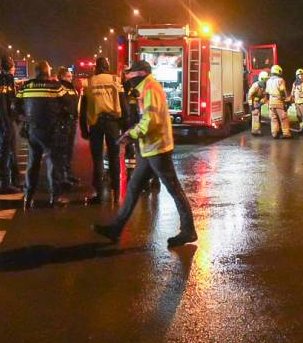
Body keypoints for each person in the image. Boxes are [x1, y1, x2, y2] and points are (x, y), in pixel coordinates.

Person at [94, 60, 198, 248]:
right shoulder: (146, 87)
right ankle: (116, 229)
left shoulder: (150, 88)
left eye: (131, 74)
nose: (128, 77)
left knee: (173, 189)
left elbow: (151, 120)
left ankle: (188, 230)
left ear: (141, 73)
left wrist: (130, 134)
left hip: (157, 149)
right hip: (150, 149)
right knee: (134, 189)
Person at [17, 61, 74, 208]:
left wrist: (25, 119)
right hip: (51, 131)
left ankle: (28, 197)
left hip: (33, 131)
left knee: (32, 164)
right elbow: (69, 102)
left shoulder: (25, 86)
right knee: (53, 164)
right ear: (47, 72)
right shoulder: (55, 87)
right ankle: (54, 198)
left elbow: (15, 106)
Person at [79, 56, 124, 204]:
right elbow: (123, 104)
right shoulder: (115, 80)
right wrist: (125, 126)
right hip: (113, 123)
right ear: (107, 66)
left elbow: (84, 108)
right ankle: (116, 193)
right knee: (114, 157)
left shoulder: (90, 82)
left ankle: (98, 194)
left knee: (98, 159)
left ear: (96, 67)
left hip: (95, 123)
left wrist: (83, 129)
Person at [0, 56, 22, 195]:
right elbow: (0, 104)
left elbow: (10, 102)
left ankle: (15, 181)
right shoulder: (2, 80)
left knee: (11, 150)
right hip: (3, 121)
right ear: (10, 67)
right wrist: (6, 123)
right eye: (13, 65)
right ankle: (4, 184)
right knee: (4, 150)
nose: (15, 68)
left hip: (5, 120)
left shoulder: (6, 79)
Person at [55, 66, 80, 189]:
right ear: (61, 76)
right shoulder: (59, 87)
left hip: (72, 121)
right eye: (68, 76)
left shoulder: (71, 87)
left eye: (71, 76)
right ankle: (61, 177)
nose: (71, 78)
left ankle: (68, 173)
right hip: (63, 122)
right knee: (62, 150)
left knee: (69, 149)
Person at [265, 64, 291, 138]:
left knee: (273, 119)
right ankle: (286, 134)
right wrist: (285, 99)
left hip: (271, 102)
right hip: (279, 102)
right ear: (278, 71)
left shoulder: (268, 81)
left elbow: (266, 92)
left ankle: (274, 133)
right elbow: (282, 90)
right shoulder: (280, 80)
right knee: (283, 118)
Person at [247, 71, 269, 136]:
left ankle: (257, 129)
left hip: (258, 102)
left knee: (258, 116)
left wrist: (261, 103)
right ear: (262, 79)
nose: (266, 81)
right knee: (256, 116)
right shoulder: (255, 86)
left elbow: (265, 96)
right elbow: (249, 96)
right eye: (266, 79)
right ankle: (255, 131)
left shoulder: (263, 86)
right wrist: (251, 105)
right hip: (254, 101)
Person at [291, 68, 303, 135]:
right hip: (297, 103)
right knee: (299, 116)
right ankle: (301, 128)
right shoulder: (295, 83)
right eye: (299, 75)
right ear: (297, 76)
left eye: (302, 75)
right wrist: (291, 98)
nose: (300, 76)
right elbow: (292, 92)